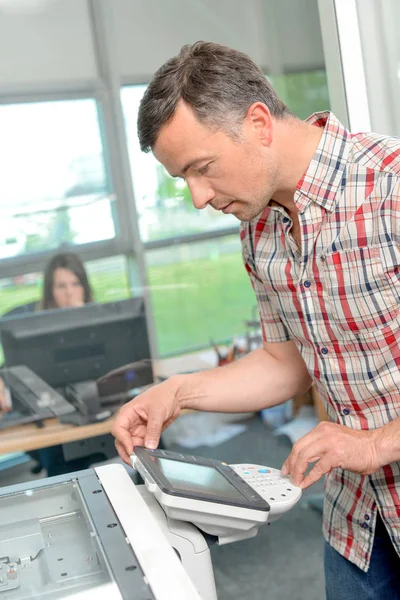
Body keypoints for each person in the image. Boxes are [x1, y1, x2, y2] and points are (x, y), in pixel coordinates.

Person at [111, 41, 400, 598]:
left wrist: (371, 445)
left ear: (259, 123)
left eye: (202, 168)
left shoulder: (389, 185)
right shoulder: (259, 228)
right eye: (183, 179)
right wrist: (176, 393)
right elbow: (285, 361)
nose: (197, 198)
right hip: (358, 523)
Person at [0, 251, 95, 474]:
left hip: (91, 410)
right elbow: (12, 366)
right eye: (61, 286)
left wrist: (82, 320)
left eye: (75, 284)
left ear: (85, 287)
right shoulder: (35, 328)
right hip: (50, 416)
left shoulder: (97, 321)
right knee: (58, 456)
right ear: (51, 291)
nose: (70, 293)